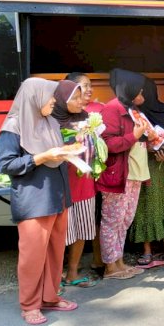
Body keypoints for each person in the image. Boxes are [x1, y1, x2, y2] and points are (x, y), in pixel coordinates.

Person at [0, 77, 77, 326]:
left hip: (58, 195)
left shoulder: (50, 122)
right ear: (35, 97)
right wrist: (42, 157)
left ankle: (50, 297)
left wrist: (70, 150)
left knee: (55, 252)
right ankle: (30, 304)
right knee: (32, 255)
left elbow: (56, 154)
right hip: (34, 200)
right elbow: (7, 164)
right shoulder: (13, 127)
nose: (54, 100)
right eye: (50, 96)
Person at [98, 69, 148, 279]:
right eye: (139, 89)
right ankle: (110, 266)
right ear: (129, 89)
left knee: (125, 219)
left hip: (134, 172)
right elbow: (108, 144)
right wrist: (133, 136)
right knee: (112, 219)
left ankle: (119, 261)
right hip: (119, 174)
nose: (142, 93)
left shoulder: (130, 109)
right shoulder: (111, 110)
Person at [51, 79, 98, 288]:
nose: (81, 101)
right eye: (76, 98)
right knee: (61, 232)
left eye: (82, 97)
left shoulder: (85, 117)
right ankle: (54, 278)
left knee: (82, 228)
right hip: (62, 182)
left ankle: (72, 272)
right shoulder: (51, 121)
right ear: (63, 99)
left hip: (84, 179)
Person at [130, 77, 164, 265]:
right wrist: (146, 148)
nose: (141, 95)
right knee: (144, 206)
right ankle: (147, 251)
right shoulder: (134, 114)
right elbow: (130, 140)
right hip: (142, 165)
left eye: (144, 91)